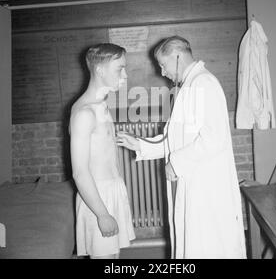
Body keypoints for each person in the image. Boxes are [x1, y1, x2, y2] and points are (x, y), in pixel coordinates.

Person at [117, 36, 246, 259]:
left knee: (209, 246)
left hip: (207, 186)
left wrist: (176, 163)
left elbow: (214, 138)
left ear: (177, 57)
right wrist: (140, 144)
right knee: (194, 244)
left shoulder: (204, 83)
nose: (162, 72)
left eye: (163, 65)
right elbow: (175, 139)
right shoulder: (189, 86)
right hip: (196, 181)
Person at [69, 43, 135, 259]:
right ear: (100, 70)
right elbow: (79, 172)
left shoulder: (101, 105)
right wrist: (102, 214)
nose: (125, 75)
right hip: (96, 197)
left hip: (111, 189)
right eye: (119, 69)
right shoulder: (85, 113)